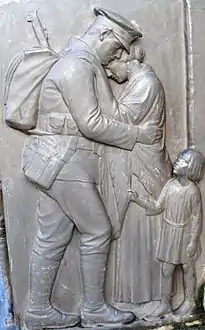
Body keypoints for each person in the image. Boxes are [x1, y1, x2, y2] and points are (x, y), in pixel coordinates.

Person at [21, 7, 163, 329]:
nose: (114, 56)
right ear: (102, 36)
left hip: (61, 160)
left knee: (52, 237)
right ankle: (94, 308)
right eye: (114, 48)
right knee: (97, 230)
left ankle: (38, 310)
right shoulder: (76, 66)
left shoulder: (82, 64)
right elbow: (92, 123)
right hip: (64, 160)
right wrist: (138, 134)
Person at [103, 45, 172, 304]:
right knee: (132, 228)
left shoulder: (146, 83)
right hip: (134, 165)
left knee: (140, 227)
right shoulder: (138, 82)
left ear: (124, 57)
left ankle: (147, 295)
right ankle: (132, 295)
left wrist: (97, 91)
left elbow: (121, 118)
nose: (109, 74)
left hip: (144, 169)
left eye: (109, 67)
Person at [128, 148, 205, 317]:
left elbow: (197, 218)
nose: (177, 162)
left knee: (187, 267)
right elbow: (157, 207)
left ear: (191, 168)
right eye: (179, 158)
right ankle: (165, 304)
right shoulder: (170, 185)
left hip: (184, 234)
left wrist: (193, 241)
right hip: (169, 233)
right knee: (166, 269)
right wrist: (137, 199)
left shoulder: (192, 191)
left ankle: (190, 301)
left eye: (183, 161)